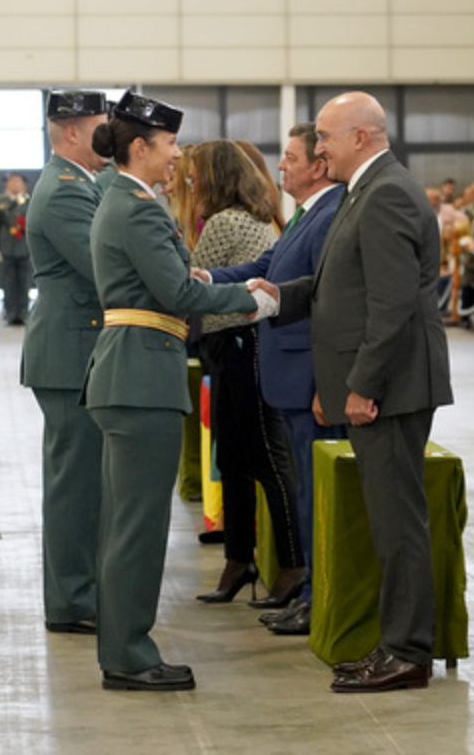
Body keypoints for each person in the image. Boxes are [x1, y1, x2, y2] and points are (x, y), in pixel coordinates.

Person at [259, 91, 453, 693]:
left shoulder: (386, 193)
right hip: (379, 385)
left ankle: (407, 652)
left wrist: (363, 386)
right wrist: (273, 295)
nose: (318, 148)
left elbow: (392, 304)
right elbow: (334, 284)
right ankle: (395, 643)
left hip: (389, 388)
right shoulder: (360, 192)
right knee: (386, 523)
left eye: (325, 136)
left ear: (361, 138)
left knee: (398, 525)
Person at [82, 91, 268, 692]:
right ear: (140, 147)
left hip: (130, 370)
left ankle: (123, 645)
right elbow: (179, 295)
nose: (177, 156)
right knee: (136, 525)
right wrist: (255, 299)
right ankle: (130, 655)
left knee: (125, 521)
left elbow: (173, 279)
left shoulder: (126, 200)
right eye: (168, 145)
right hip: (141, 374)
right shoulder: (137, 206)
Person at [198, 123, 346, 636]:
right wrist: (211, 278)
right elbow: (269, 264)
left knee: (307, 487)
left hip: (306, 370)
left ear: (318, 165)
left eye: (290, 157)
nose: (279, 167)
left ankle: (310, 589)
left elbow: (326, 295)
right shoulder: (309, 213)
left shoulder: (330, 213)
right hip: (287, 368)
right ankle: (304, 591)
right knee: (299, 483)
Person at [185, 141, 305, 610]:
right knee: (233, 458)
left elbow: (193, 279)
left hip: (242, 344)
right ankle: (239, 560)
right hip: (233, 343)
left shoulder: (224, 221)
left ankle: (292, 564)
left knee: (265, 460)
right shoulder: (254, 217)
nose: (191, 183)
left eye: (197, 175)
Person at [20, 90, 109, 638]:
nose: (108, 139)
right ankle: (72, 600)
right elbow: (106, 266)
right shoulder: (65, 192)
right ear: (71, 132)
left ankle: (83, 590)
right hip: (70, 352)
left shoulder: (84, 184)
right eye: (100, 128)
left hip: (79, 348)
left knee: (87, 481)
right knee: (74, 484)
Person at [0, 172, 33, 325]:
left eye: (18, 182)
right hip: (7, 247)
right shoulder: (0, 201)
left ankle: (23, 312)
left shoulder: (29, 200)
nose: (15, 185)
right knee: (8, 282)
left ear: (24, 184)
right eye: (11, 182)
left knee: (24, 282)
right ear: (6, 184)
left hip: (25, 247)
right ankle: (10, 312)